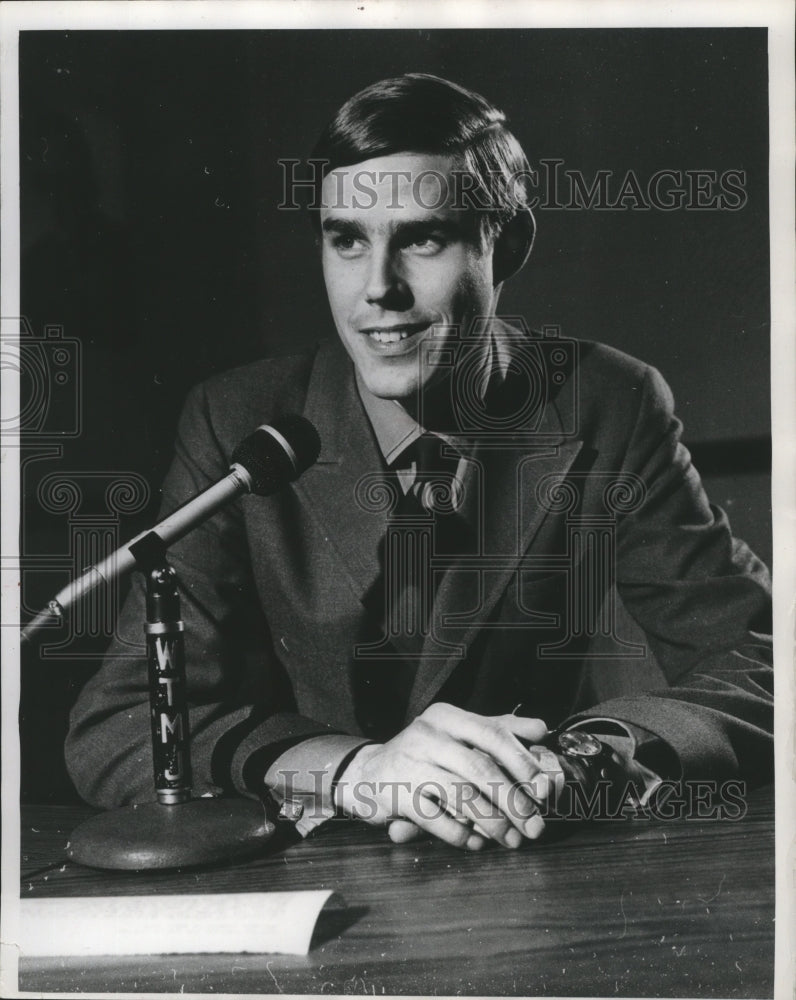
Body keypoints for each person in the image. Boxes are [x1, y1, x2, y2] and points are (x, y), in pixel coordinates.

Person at [65, 74, 773, 852]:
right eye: (347, 240)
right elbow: (120, 722)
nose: (378, 290)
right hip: (312, 893)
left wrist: (587, 758)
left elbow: (762, 658)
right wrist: (353, 772)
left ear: (509, 244)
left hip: (538, 866)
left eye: (422, 238)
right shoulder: (238, 419)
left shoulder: (608, 400)